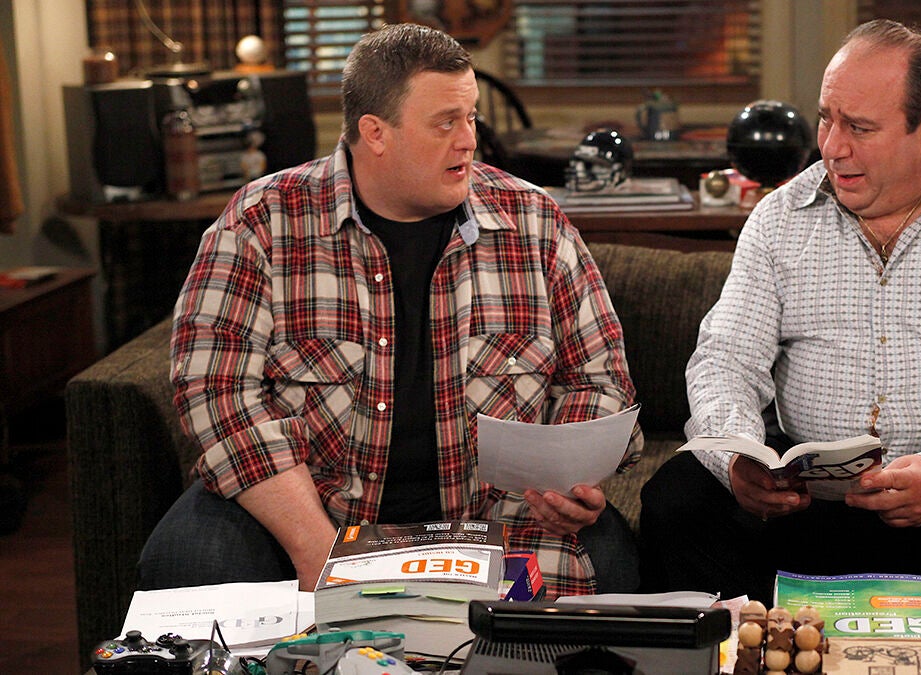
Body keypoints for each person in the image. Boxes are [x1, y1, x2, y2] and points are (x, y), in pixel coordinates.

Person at [138, 23, 643, 599]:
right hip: (314, 512)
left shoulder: (533, 220)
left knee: (612, 564)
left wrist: (569, 486)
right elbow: (216, 391)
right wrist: (316, 549)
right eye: (445, 123)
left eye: (471, 117)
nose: (469, 141)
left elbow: (599, 378)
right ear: (375, 133)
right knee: (187, 559)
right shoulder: (261, 222)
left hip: (496, 516)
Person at [638, 19, 921, 611]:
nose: (832, 146)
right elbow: (725, 359)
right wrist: (737, 456)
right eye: (827, 118)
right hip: (803, 507)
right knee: (677, 497)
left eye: (860, 127)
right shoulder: (779, 217)